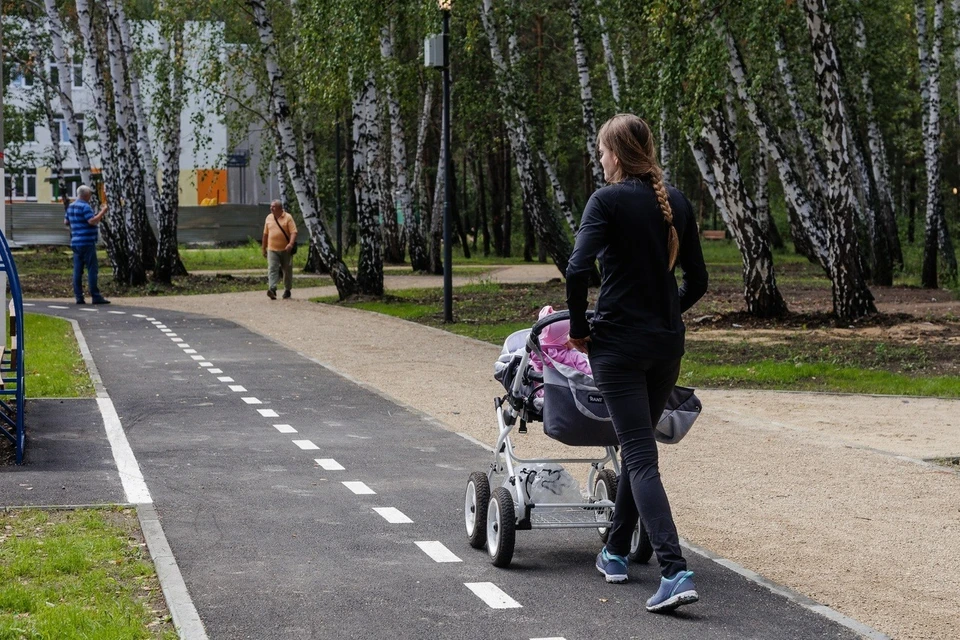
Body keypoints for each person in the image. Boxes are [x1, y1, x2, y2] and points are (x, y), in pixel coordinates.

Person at [565, 114, 708, 613]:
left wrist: (580, 329)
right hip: (665, 346)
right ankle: (615, 551)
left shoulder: (606, 201)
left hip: (620, 348)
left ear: (618, 154)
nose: (599, 159)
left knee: (640, 456)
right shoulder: (679, 204)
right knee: (638, 447)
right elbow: (699, 282)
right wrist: (664, 314)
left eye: (602, 150)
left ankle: (673, 569)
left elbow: (578, 269)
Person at [63, 185, 110, 305]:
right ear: (86, 195)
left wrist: (76, 225)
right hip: (87, 242)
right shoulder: (85, 207)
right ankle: (95, 295)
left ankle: (79, 297)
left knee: (78, 270)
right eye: (90, 194)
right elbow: (92, 221)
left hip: (75, 242)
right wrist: (102, 212)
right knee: (92, 269)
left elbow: (66, 222)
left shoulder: (71, 206)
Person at [261, 200, 298, 300]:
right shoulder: (268, 218)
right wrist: (263, 248)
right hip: (272, 249)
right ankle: (272, 289)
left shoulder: (288, 217)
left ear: (280, 208)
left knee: (287, 270)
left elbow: (294, 232)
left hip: (286, 250)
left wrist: (290, 244)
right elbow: (265, 234)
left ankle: (287, 290)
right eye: (271, 206)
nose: (271, 208)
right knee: (272, 268)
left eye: (273, 207)